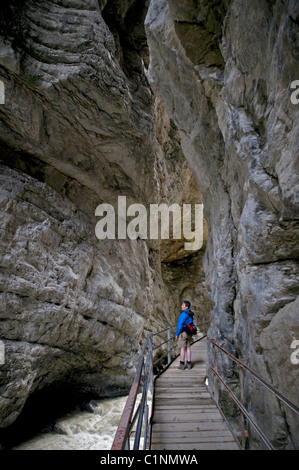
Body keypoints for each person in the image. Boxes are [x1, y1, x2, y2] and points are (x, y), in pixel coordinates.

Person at [175, 300, 194, 370]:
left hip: (183, 333)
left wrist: (177, 334)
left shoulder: (184, 314)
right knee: (188, 347)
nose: (181, 306)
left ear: (186, 306)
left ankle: (182, 364)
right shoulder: (190, 313)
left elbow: (180, 324)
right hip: (189, 333)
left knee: (182, 348)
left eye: (183, 305)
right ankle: (189, 364)